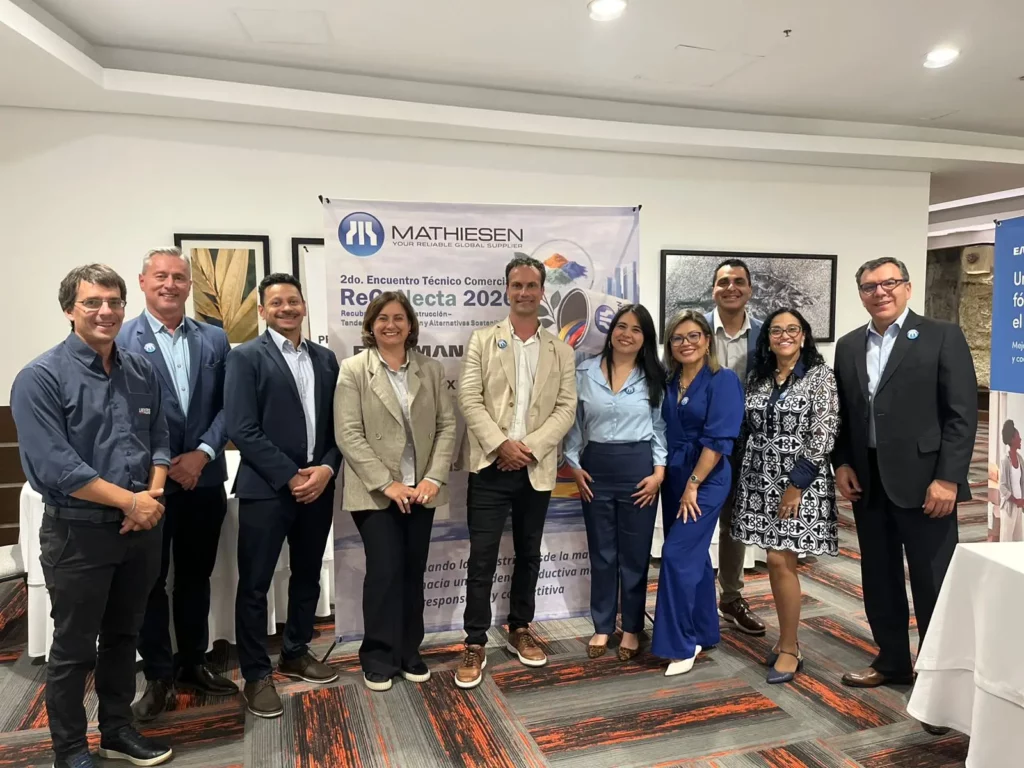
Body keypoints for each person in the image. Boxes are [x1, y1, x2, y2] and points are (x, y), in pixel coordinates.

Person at [10, 264, 173, 768]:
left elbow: (161, 439)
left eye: (114, 302)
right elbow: (57, 467)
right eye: (92, 302)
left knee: (124, 638)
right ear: (69, 310)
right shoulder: (40, 377)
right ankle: (70, 749)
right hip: (78, 534)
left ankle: (117, 731)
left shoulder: (140, 370)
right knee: (74, 649)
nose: (106, 311)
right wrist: (130, 502)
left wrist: (150, 499)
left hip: (138, 531)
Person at [832, 257, 976, 736]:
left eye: (889, 283)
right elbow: (845, 415)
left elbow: (961, 414)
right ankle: (892, 660)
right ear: (860, 294)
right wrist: (842, 464)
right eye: (869, 286)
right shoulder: (849, 345)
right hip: (868, 482)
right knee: (879, 577)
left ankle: (940, 689)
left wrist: (948, 479)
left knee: (934, 585)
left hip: (927, 484)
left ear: (907, 288)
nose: (880, 292)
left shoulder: (941, 336)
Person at [117, 247, 236, 722]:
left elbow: (230, 404)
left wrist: (203, 453)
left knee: (195, 576)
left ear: (190, 285)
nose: (170, 284)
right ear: (143, 282)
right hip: (148, 485)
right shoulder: (120, 338)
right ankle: (158, 676)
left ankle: (193, 662)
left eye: (179, 277)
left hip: (204, 480)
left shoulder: (215, 338)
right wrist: (166, 467)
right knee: (149, 582)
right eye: (160, 276)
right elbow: (119, 418)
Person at [455, 255, 577, 689]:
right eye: (516, 285)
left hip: (535, 468)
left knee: (529, 554)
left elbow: (566, 408)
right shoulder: (482, 340)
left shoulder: (561, 350)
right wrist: (501, 445)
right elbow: (469, 399)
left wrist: (529, 449)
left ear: (543, 291)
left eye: (531, 285)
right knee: (482, 558)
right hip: (491, 467)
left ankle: (520, 628)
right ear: (507, 290)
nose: (524, 292)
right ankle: (474, 641)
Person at [226, 273, 342, 718]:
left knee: (307, 574)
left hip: (318, 486)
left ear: (304, 306)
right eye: (276, 303)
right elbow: (241, 427)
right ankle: (256, 674)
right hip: (267, 489)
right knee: (255, 584)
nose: (286, 308)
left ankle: (295, 651)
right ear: (262, 311)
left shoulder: (325, 359)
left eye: (293, 301)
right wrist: (290, 475)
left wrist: (327, 468)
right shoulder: (245, 358)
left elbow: (338, 425)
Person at [334, 292, 457, 692]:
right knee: (385, 572)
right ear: (371, 326)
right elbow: (348, 433)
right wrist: (388, 484)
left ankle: (408, 652)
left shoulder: (430, 369)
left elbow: (447, 427)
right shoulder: (354, 370)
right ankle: (378, 656)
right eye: (383, 318)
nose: (391, 325)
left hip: (421, 491)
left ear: (410, 325)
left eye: (399, 318)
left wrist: (433, 478)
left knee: (412, 571)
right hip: (376, 492)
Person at [733, 308, 840, 684]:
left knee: (780, 562)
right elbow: (746, 428)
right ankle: (784, 640)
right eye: (776, 330)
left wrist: (796, 485)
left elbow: (824, 432)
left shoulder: (820, 376)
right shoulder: (758, 377)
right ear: (767, 339)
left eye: (792, 329)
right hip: (759, 480)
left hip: (799, 483)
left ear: (804, 335)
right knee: (776, 560)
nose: (784, 336)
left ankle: (791, 647)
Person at [564, 304, 666, 661]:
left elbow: (660, 428)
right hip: (595, 469)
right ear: (611, 332)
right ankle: (603, 625)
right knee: (602, 553)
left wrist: (658, 473)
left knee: (634, 556)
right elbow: (574, 423)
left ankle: (633, 628)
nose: (627, 334)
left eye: (636, 329)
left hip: (639, 469)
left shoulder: (654, 376)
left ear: (645, 338)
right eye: (622, 326)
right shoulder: (585, 371)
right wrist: (573, 464)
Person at [652, 310, 744, 676]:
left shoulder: (723, 380)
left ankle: (680, 643)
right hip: (674, 475)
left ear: (707, 341)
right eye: (677, 337)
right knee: (694, 555)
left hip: (706, 478)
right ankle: (705, 629)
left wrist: (693, 484)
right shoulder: (669, 381)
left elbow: (719, 440)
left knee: (676, 554)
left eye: (693, 336)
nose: (685, 343)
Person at [703, 258, 766, 637]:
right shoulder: (694, 330)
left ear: (749, 289)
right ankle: (692, 599)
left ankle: (730, 597)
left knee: (735, 525)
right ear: (713, 289)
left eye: (739, 281)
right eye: (723, 281)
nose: (731, 288)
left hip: (747, 446)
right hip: (701, 444)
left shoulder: (765, 334)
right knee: (694, 523)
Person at [998, 419, 1024, 542]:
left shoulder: (1020, 459)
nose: (1020, 439)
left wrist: (1021, 501)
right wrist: (1015, 500)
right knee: (1006, 541)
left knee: (1019, 541)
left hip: (1019, 507)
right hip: (1009, 507)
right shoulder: (1005, 460)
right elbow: (1002, 487)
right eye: (1018, 437)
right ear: (1012, 439)